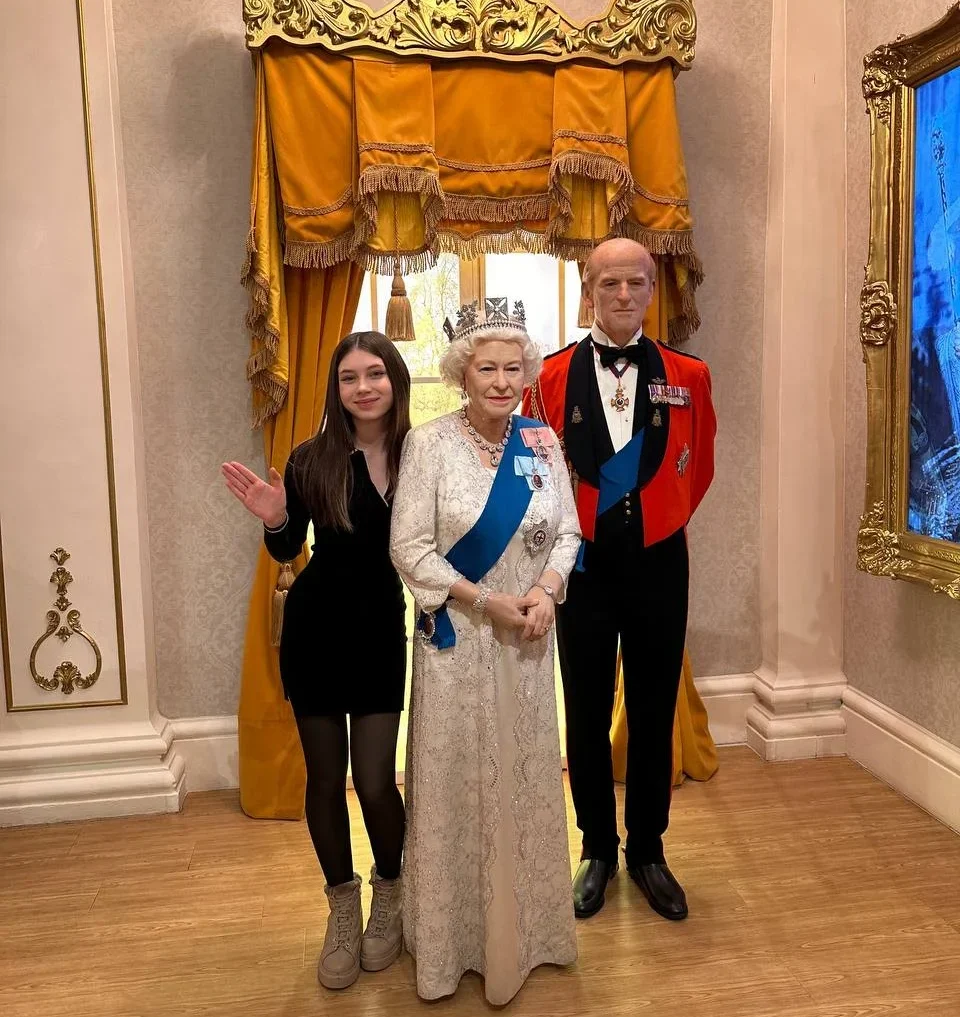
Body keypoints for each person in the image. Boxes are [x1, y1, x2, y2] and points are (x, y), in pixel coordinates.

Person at [389, 298, 580, 1005]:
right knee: (457, 789)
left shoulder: (541, 442)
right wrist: (483, 599)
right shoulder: (430, 444)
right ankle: (453, 947)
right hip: (458, 648)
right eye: (487, 369)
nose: (502, 382)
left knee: (521, 785)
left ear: (527, 372)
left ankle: (526, 939)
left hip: (526, 645)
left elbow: (568, 531)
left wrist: (548, 591)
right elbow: (408, 548)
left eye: (513, 368)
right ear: (461, 374)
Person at [524, 238, 717, 922]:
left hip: (660, 562)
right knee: (583, 705)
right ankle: (598, 848)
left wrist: (656, 522)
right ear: (589, 291)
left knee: (654, 705)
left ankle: (649, 850)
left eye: (637, 282)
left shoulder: (688, 375)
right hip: (581, 566)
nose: (625, 294)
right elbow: (535, 476)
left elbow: (700, 467)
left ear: (652, 291)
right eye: (610, 283)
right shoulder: (548, 378)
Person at [221, 331, 411, 990]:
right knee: (325, 779)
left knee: (377, 779)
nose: (363, 387)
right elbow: (285, 550)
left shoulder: (422, 454)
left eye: (374, 374)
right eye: (349, 377)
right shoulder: (311, 458)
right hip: (317, 631)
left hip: (381, 631)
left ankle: (391, 893)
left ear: (394, 379)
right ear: (336, 388)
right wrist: (276, 520)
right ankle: (342, 908)